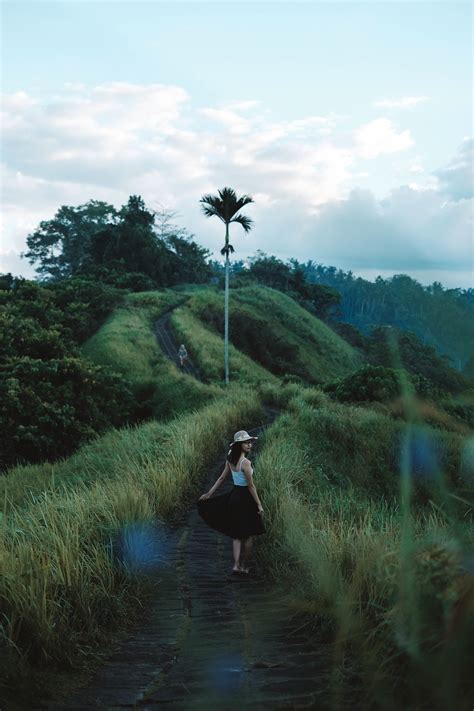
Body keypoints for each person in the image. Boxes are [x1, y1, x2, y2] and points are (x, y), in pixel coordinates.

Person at [197, 430, 265, 575]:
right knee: (248, 534)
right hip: (245, 498)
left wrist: (209, 494)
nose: (249, 445)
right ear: (239, 445)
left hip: (234, 497)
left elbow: (221, 479)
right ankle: (244, 566)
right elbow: (251, 486)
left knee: (236, 534)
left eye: (249, 442)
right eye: (246, 443)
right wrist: (259, 504)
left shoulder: (230, 459)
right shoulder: (246, 463)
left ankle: (235, 566)